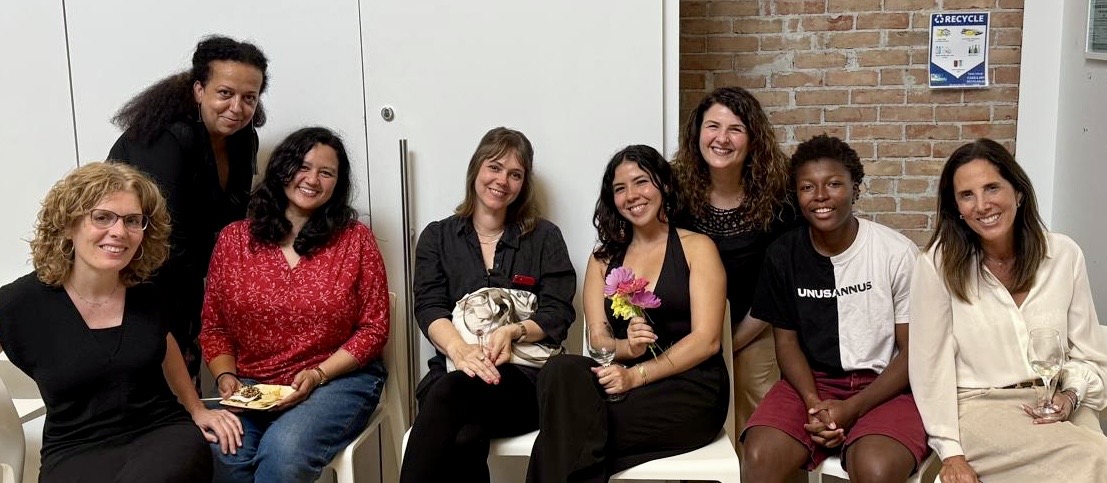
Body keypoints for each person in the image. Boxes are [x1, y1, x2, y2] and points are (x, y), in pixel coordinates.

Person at [0, 162, 242, 483]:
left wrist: (197, 409)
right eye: (102, 217)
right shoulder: (18, 304)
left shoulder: (149, 291)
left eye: (132, 221)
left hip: (161, 434)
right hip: (74, 448)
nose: (119, 231)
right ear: (69, 225)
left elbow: (163, 342)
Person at [526, 144, 728, 483]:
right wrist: (627, 350)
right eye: (620, 188)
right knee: (560, 370)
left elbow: (706, 341)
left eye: (641, 182)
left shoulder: (697, 248)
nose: (632, 195)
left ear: (663, 185)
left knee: (564, 434)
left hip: (689, 388)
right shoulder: (603, 260)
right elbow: (600, 339)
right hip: (621, 382)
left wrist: (637, 375)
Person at [909, 138, 1107, 482]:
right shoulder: (937, 265)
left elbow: (1091, 352)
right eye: (967, 195)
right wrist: (951, 452)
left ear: (1018, 192)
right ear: (955, 207)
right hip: (981, 408)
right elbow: (930, 367)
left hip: (1056, 400)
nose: (982, 205)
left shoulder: (1064, 255)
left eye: (991, 188)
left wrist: (1071, 396)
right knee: (1094, 460)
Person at [200, 127, 389, 482]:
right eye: (303, 166)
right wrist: (226, 376)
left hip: (335, 381)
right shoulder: (234, 240)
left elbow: (374, 328)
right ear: (282, 169)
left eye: (326, 172)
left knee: (283, 453)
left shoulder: (355, 239)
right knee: (221, 451)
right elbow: (214, 326)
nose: (312, 179)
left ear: (337, 183)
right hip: (252, 385)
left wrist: (319, 374)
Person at [740, 135, 927, 482]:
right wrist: (815, 404)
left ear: (855, 189)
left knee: (876, 468)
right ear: (797, 196)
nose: (821, 196)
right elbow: (786, 343)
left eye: (834, 184)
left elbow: (911, 353)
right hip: (813, 383)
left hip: (886, 385)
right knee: (758, 456)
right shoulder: (783, 255)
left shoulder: (895, 253)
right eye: (807, 187)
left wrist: (852, 408)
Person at [400, 127, 576, 483]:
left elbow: (558, 312)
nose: (502, 181)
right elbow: (429, 306)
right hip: (454, 372)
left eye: (515, 174)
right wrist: (461, 351)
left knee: (450, 394)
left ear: (523, 184)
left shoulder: (544, 237)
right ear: (476, 169)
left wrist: (514, 331)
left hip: (524, 384)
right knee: (465, 435)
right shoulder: (438, 237)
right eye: (494, 167)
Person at [109, 35, 269, 387]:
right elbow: (167, 235)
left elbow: (233, 223)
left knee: (186, 376)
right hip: (140, 275)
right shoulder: (165, 136)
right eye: (225, 93)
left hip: (186, 273)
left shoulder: (244, 140)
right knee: (161, 378)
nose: (238, 107)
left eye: (249, 98)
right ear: (199, 90)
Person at [672, 86, 796, 441]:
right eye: (713, 127)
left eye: (735, 129)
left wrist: (731, 340)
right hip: (689, 330)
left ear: (753, 139)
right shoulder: (674, 190)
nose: (721, 139)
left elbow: (780, 285)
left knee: (763, 424)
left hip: (757, 326)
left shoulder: (780, 196)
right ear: (697, 133)